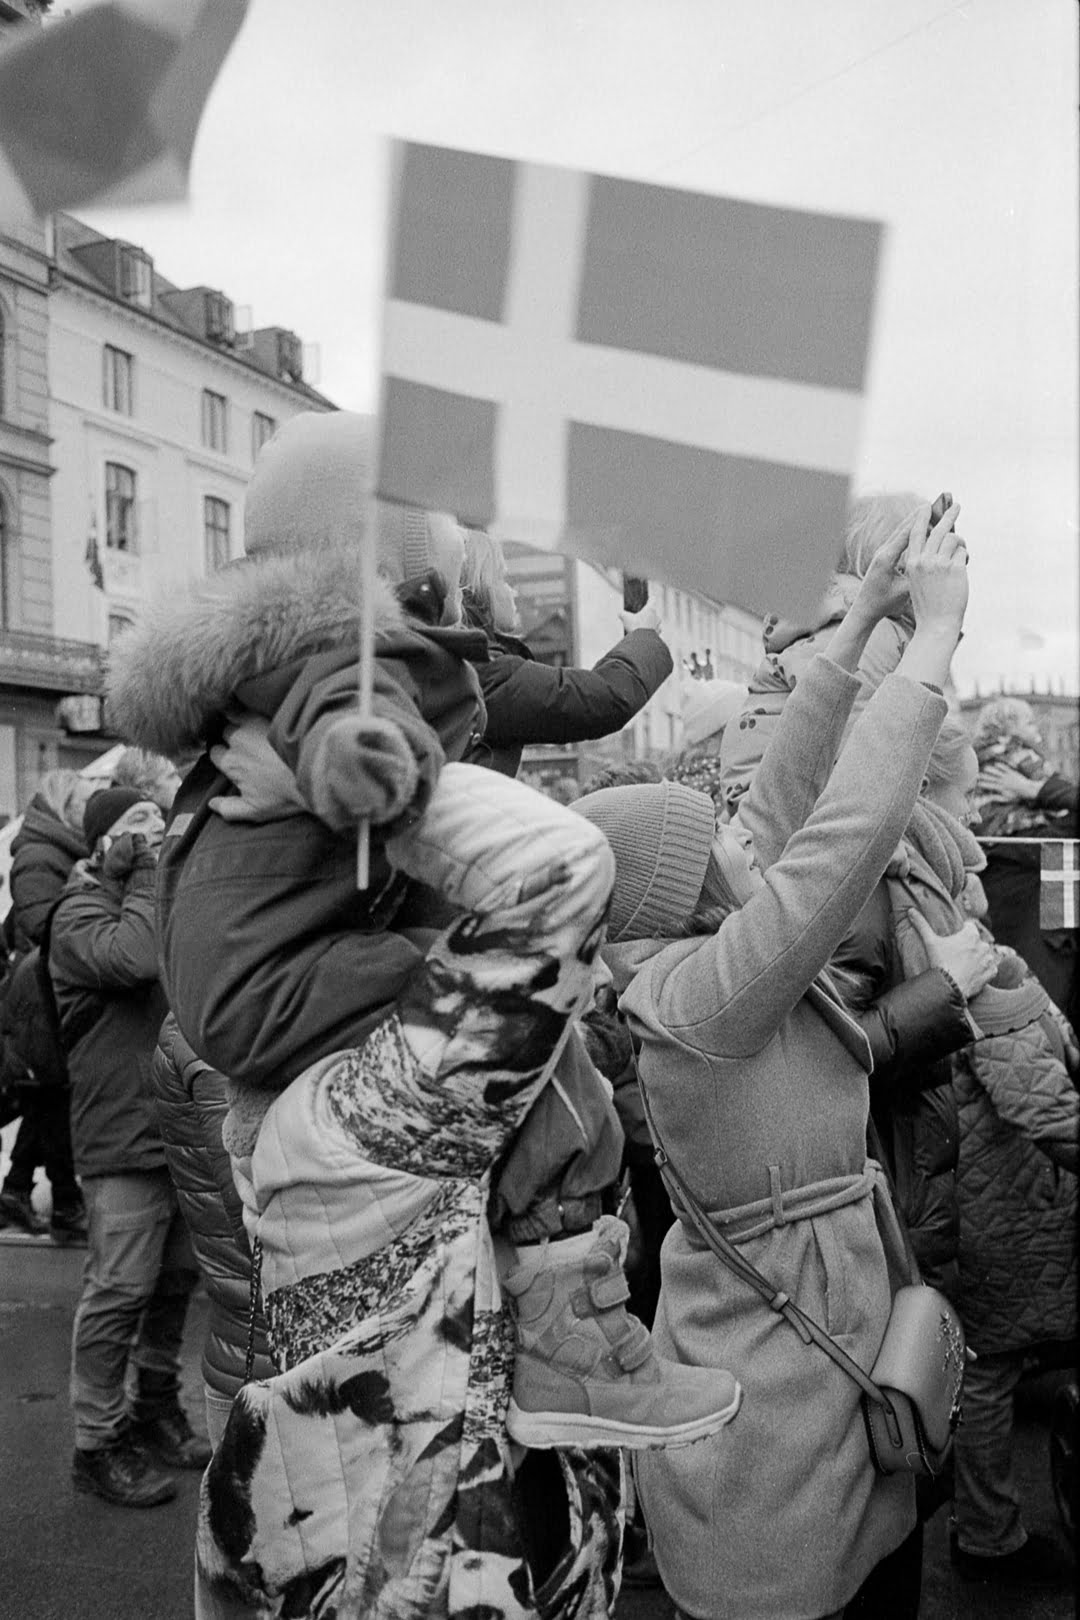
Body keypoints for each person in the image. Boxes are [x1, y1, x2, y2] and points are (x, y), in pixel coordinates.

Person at [106, 409, 736, 1454]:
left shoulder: (258, 681)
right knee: (538, 1032)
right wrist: (376, 761)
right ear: (391, 557)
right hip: (285, 989)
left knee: (540, 1050)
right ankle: (562, 1327)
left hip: (267, 995)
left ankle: (556, 1323)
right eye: (437, 557)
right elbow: (347, 710)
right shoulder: (327, 656)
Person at [574, 501, 969, 1620]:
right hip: (778, 1441)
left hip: (815, 1391)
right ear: (689, 898)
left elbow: (785, 798)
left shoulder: (690, 962)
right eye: (720, 849)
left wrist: (854, 634)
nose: (744, 840)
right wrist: (929, 643)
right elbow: (836, 845)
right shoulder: (701, 998)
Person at [193, 762, 688, 1617]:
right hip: (422, 1566)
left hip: (410, 1539)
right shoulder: (373, 1113)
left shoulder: (340, 1106)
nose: (595, 979)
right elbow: (562, 866)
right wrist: (354, 759)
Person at [49, 787, 210, 1508]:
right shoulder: (77, 912)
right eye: (135, 827)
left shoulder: (162, 901)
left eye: (157, 822)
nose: (153, 836)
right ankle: (98, 1441)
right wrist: (150, 872)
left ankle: (154, 1409)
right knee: (118, 1293)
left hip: (176, 1127)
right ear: (100, 844)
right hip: (118, 1135)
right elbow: (136, 960)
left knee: (174, 1285)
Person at [717, 491, 923, 818]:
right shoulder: (872, 631)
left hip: (760, 792)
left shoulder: (839, 620)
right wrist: (872, 828)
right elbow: (852, 731)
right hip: (787, 804)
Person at [150, 1015, 276, 1451]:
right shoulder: (222, 1026)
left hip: (261, 1347)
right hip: (268, 1359)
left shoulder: (239, 1013)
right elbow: (261, 1220)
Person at [460, 526, 673, 778]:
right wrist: (643, 637)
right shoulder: (484, 671)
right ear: (478, 588)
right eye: (503, 579)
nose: (512, 590)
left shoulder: (472, 666)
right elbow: (603, 699)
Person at [0, 768, 95, 1240]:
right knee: (51, 1098)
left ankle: (20, 1191)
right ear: (63, 806)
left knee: (47, 1100)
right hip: (39, 996)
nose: (89, 811)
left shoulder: (58, 849)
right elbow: (42, 925)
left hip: (45, 993)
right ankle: (65, 1205)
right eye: (82, 802)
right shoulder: (42, 855)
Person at [971, 695, 1079, 1027]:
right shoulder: (1023, 757)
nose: (1040, 734)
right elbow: (1067, 798)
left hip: (1005, 882)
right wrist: (1040, 788)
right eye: (1031, 724)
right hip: (1039, 885)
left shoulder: (976, 764)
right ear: (1009, 729)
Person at [669, 678, 747, 805]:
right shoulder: (729, 783)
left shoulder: (681, 778)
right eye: (741, 725)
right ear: (710, 742)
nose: (749, 732)